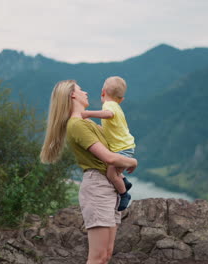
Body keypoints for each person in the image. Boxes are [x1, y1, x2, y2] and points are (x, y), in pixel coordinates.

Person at [40, 80, 137, 264]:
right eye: (80, 89)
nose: (85, 92)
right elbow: (108, 157)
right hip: (98, 188)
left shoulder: (88, 122)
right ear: (72, 95)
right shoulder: (77, 125)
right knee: (97, 258)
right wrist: (132, 161)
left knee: (106, 256)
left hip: (109, 187)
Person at [82, 76, 135, 211]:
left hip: (122, 149)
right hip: (126, 147)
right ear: (121, 99)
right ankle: (124, 181)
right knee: (113, 170)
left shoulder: (109, 105)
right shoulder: (117, 106)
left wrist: (88, 114)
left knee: (111, 174)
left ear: (103, 93)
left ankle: (124, 195)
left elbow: (108, 114)